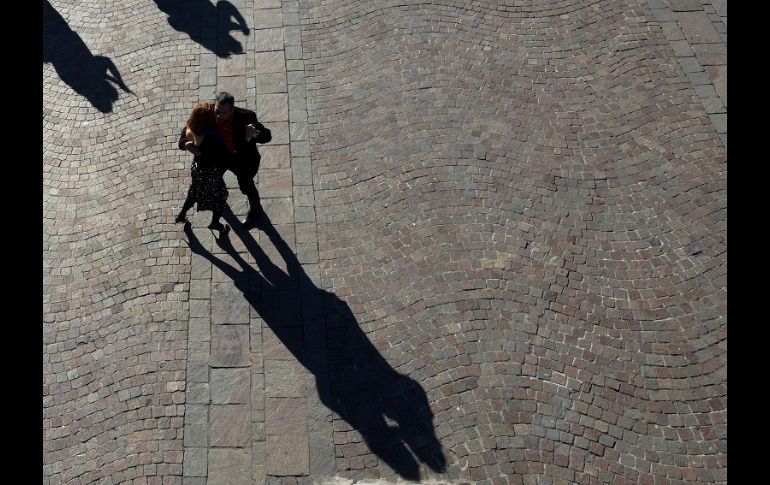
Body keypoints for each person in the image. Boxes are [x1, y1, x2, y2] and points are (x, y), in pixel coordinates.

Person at [180, 92, 272, 227]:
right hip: (217, 158)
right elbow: (189, 126)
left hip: (241, 160)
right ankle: (216, 204)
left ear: (232, 110)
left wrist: (254, 135)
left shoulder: (247, 117)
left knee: (247, 185)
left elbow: (267, 136)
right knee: (213, 182)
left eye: (223, 113)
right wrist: (184, 143)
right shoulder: (207, 112)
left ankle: (256, 210)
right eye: (217, 111)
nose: (218, 116)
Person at [174, 103, 230, 234]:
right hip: (210, 171)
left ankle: (181, 215)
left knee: (194, 191)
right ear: (207, 120)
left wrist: (184, 144)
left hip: (197, 168)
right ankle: (215, 223)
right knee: (221, 196)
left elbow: (183, 136)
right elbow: (221, 154)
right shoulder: (210, 137)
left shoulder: (193, 126)